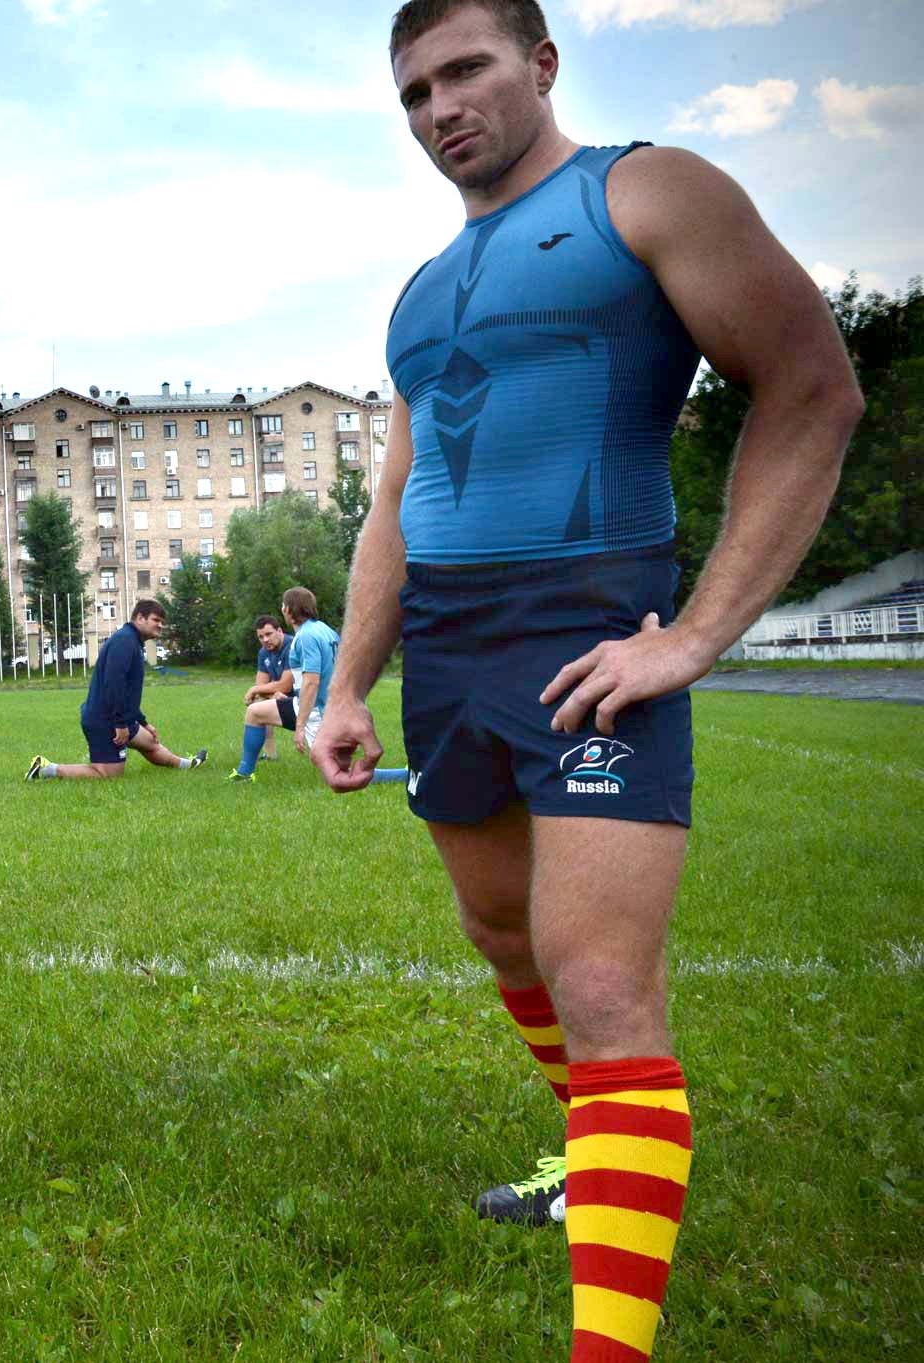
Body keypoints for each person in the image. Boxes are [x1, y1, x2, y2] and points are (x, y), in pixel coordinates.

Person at [311, 4, 861, 1360]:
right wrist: (348, 684)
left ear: (541, 64)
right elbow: (396, 499)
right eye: (414, 91)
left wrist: (694, 634)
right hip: (449, 649)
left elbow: (810, 387)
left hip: (588, 627)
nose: (440, 108)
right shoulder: (419, 292)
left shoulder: (646, 192)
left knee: (603, 984)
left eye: (466, 70)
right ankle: (591, 1156)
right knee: (505, 938)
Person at [24, 599, 206, 780]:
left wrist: (143, 722)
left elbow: (128, 692)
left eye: (162, 622)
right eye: (156, 620)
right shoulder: (125, 641)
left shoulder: (131, 640)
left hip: (119, 716)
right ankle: (45, 769)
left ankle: (188, 764)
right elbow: (113, 683)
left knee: (150, 742)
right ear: (140, 618)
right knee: (109, 774)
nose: (160, 626)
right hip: (105, 719)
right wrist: (120, 724)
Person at [226, 613, 294, 775]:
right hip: (282, 696)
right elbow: (261, 685)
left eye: (269, 634)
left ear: (280, 631)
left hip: (305, 698)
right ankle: (270, 754)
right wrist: (270, 695)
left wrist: (254, 690)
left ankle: (245, 771)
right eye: (261, 637)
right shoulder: (264, 652)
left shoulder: (292, 646)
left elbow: (285, 685)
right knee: (258, 702)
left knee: (257, 695)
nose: (265, 640)